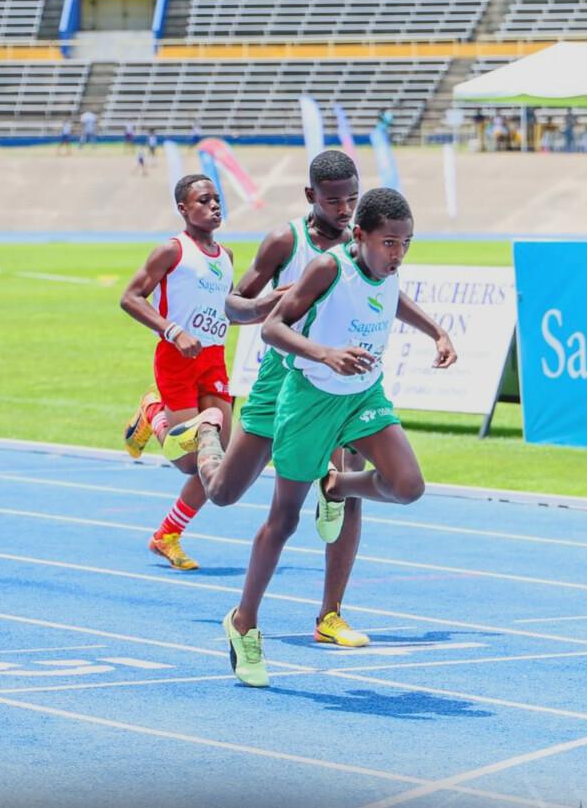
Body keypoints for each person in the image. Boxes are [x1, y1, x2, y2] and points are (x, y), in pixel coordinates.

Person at [176, 187, 457, 687]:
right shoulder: (327, 266)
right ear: (363, 236)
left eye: (406, 244)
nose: (398, 254)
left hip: (362, 397)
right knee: (279, 519)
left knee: (408, 485)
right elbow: (271, 327)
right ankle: (243, 623)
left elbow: (393, 299)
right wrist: (324, 353)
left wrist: (436, 331)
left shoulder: (385, 266)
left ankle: (338, 488)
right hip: (308, 397)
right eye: (390, 243)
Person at [135, 150, 382, 649]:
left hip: (345, 380)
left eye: (352, 200)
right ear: (312, 197)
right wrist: (268, 303)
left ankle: (330, 615)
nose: (346, 210)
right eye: (335, 201)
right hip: (284, 379)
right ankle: (198, 435)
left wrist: (435, 331)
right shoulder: (283, 241)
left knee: (345, 491)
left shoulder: (367, 242)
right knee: (224, 492)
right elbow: (232, 305)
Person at [119, 174, 282, 573]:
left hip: (213, 360)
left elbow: (222, 311)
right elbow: (129, 297)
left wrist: (269, 305)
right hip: (175, 357)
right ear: (183, 209)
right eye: (203, 200)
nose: (214, 206)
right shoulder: (171, 251)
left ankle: (167, 535)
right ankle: (152, 412)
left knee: (218, 466)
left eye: (216, 200)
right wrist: (172, 331)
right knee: (187, 462)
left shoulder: (225, 256)